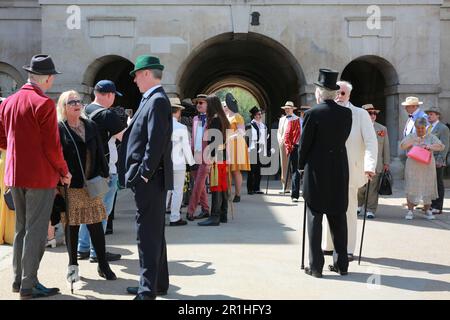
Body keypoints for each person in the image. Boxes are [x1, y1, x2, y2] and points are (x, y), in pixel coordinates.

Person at [0, 54, 71, 299]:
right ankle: (29, 284)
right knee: (36, 231)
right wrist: (64, 171)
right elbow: (52, 146)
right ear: (48, 78)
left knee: (21, 229)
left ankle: (18, 281)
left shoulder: (8, 102)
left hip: (14, 174)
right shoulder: (43, 104)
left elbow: (2, 139)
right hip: (39, 176)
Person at [118, 55, 173, 300]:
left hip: (150, 180)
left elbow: (156, 141)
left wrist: (144, 174)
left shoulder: (157, 100)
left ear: (148, 74)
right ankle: (158, 283)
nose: (135, 80)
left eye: (137, 75)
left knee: (147, 235)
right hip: (151, 179)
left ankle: (147, 289)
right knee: (155, 232)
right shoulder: (151, 99)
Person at [57, 90, 117, 285]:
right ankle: (72, 265)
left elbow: (100, 150)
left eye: (78, 101)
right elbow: (56, 155)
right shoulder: (60, 128)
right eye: (71, 101)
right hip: (71, 185)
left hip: (91, 183)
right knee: (72, 226)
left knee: (96, 225)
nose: (76, 104)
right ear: (64, 107)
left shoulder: (90, 125)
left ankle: (102, 264)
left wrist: (105, 173)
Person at [298, 68, 352, 277]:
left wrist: (300, 166)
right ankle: (341, 264)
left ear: (319, 92)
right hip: (339, 168)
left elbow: (305, 145)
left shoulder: (313, 114)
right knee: (338, 217)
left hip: (317, 171)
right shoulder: (346, 113)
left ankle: (316, 266)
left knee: (315, 217)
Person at [323, 80, 377, 262]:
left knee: (348, 209)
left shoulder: (360, 114)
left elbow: (371, 142)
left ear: (349, 95)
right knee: (328, 207)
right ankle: (329, 245)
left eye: (343, 93)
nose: (339, 96)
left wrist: (369, 166)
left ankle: (347, 248)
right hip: (329, 168)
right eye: (336, 93)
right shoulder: (326, 111)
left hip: (350, 169)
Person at [77, 80, 126, 263]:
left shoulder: (84, 110)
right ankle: (97, 251)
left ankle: (82, 247)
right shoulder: (107, 115)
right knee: (102, 212)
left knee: (88, 210)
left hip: (85, 169)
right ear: (109, 95)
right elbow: (125, 137)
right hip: (105, 170)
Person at [400, 117, 444, 220]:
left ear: (426, 127)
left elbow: (441, 146)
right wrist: (413, 141)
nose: (420, 130)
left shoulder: (431, 136)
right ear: (415, 127)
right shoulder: (411, 136)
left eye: (422, 128)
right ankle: (410, 210)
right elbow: (402, 146)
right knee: (411, 186)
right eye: (418, 128)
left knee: (428, 187)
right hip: (413, 166)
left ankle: (427, 210)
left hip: (427, 166)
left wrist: (429, 146)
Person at [198, 95, 230, 226]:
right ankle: (223, 213)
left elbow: (214, 142)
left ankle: (215, 216)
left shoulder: (215, 120)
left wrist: (210, 159)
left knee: (216, 185)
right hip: (222, 154)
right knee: (222, 185)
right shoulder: (222, 119)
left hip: (216, 155)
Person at [357, 104, 390, 219]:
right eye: (370, 113)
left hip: (377, 163)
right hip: (360, 162)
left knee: (373, 188)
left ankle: (370, 209)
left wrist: (386, 163)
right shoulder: (357, 126)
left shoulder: (382, 129)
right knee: (360, 186)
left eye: (374, 113)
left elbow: (386, 147)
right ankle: (358, 205)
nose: (373, 115)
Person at [166, 97, 195, 226]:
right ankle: (174, 217)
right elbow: (186, 147)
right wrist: (192, 163)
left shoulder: (162, 125)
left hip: (165, 163)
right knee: (177, 190)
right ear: (178, 112)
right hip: (178, 163)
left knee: (165, 190)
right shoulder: (181, 127)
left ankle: (159, 216)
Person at [186, 94, 210, 221]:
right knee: (198, 184)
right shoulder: (195, 119)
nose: (199, 105)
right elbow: (194, 137)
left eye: (201, 103)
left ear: (208, 104)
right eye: (197, 103)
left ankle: (190, 210)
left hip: (206, 155)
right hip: (195, 154)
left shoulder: (212, 119)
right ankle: (205, 209)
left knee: (198, 184)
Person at [223, 93, 250, 203]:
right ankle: (227, 193)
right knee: (226, 170)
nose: (224, 107)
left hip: (236, 144)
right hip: (226, 144)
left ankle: (237, 194)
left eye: (225, 105)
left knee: (235, 170)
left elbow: (242, 131)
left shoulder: (237, 116)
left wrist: (231, 136)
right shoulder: (225, 117)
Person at [425, 106, 450, 215]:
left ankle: (437, 206)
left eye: (431, 114)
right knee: (429, 182)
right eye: (428, 114)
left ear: (437, 115)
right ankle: (429, 204)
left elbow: (445, 145)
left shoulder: (443, 128)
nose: (429, 116)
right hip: (426, 159)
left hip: (437, 159)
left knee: (438, 183)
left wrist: (441, 159)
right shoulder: (427, 127)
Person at [277, 101, 298, 193]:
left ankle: (293, 187)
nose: (286, 110)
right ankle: (284, 186)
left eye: (288, 108)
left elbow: (298, 132)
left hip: (293, 144)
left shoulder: (297, 119)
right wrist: (279, 140)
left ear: (292, 109)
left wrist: (295, 142)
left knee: (293, 166)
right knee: (284, 165)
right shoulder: (282, 119)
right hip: (283, 144)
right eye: (285, 109)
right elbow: (279, 131)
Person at [246, 106, 267, 195]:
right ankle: (250, 188)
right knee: (251, 170)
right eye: (258, 114)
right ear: (254, 116)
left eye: (261, 114)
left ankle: (257, 188)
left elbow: (267, 138)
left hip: (261, 149)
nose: (260, 116)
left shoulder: (263, 125)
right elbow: (246, 138)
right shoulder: (249, 125)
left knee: (259, 170)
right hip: (252, 149)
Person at [284, 107, 301, 202]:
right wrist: (289, 148)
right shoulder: (294, 121)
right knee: (296, 171)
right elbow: (287, 135)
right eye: (302, 112)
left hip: (309, 147)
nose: (304, 114)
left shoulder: (312, 121)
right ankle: (295, 194)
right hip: (296, 147)